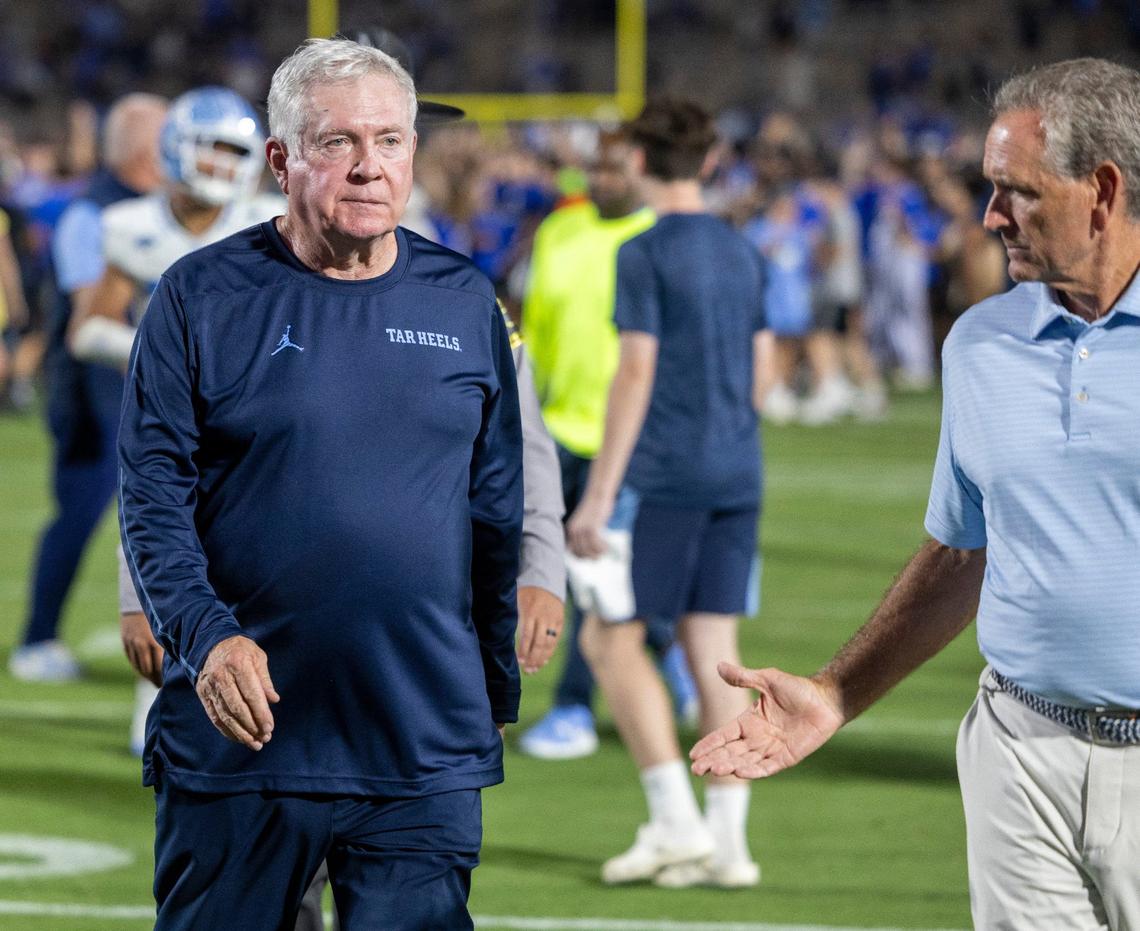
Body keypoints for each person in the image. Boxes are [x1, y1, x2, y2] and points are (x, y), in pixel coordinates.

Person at [692, 57, 1140, 930]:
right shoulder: (981, 340)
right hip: (1017, 748)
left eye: (1018, 192)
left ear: (1104, 188)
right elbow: (963, 549)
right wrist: (834, 692)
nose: (988, 215)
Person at [118, 38, 523, 931]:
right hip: (244, 741)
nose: (370, 168)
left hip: (418, 739)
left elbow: (495, 507)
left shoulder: (464, 300)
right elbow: (152, 496)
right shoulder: (198, 297)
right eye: (338, 142)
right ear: (281, 160)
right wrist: (207, 638)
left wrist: (490, 689)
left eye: (390, 141)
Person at [566, 98, 770, 889]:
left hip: (663, 478)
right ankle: (729, 844)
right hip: (737, 470)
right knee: (714, 653)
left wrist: (597, 495)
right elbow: (761, 369)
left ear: (641, 162)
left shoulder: (644, 252)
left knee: (609, 641)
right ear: (710, 161)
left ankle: (676, 821)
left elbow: (637, 370)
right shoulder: (742, 249)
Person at [66, 86, 283, 755]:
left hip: (250, 421)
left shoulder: (267, 221)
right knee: (164, 538)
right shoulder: (131, 228)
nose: (220, 165)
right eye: (210, 147)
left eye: (232, 151)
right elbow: (86, 329)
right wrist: (166, 358)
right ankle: (157, 689)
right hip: (167, 421)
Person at [519, 128, 698, 760]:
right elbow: (536, 327)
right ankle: (667, 651)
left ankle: (572, 708)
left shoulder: (661, 243)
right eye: (595, 168)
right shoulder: (557, 232)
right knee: (560, 569)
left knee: (596, 581)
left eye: (616, 168)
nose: (603, 179)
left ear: (641, 169)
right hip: (555, 429)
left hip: (631, 441)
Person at [8, 93, 168, 682]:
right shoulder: (93, 213)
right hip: (92, 389)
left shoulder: (157, 207)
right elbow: (89, 314)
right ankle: (37, 639)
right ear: (145, 151)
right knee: (81, 508)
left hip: (136, 385)